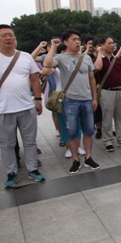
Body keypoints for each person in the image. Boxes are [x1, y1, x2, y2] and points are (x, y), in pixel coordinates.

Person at [0, 24, 45, 187]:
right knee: (7, 144)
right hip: (2, 110)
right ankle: (11, 172)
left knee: (30, 142)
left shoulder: (25, 57)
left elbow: (35, 78)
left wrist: (37, 99)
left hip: (26, 107)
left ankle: (32, 169)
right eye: (4, 35)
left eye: (11, 35)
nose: (9, 38)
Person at [43, 28, 100, 174]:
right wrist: (54, 47)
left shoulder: (86, 58)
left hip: (87, 99)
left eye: (78, 39)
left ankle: (88, 157)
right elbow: (48, 64)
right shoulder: (61, 58)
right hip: (70, 101)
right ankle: (75, 159)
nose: (77, 42)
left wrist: (94, 98)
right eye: (73, 39)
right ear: (66, 42)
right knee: (73, 132)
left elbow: (92, 79)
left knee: (88, 130)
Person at [93, 36, 121, 152]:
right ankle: (108, 141)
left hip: (119, 91)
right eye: (109, 43)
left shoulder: (117, 59)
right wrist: (99, 53)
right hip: (106, 91)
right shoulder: (99, 59)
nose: (112, 45)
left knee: (120, 117)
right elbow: (97, 68)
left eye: (113, 43)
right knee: (107, 118)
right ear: (102, 45)